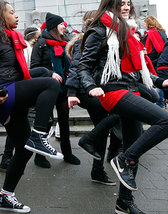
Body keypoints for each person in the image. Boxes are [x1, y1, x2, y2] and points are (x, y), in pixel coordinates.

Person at [77, 0, 168, 212]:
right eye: (122, 3)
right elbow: (83, 66)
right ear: (111, 4)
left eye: (129, 3)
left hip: (130, 89)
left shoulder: (127, 34)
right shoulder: (99, 31)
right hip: (111, 90)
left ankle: (124, 202)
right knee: (166, 121)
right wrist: (90, 86)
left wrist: (159, 82)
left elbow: (137, 71)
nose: (127, 6)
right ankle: (124, 159)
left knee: (133, 144)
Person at [0, 1, 61, 212]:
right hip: (0, 93)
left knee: (24, 148)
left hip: (13, 92)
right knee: (49, 83)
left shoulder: (11, 38)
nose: (16, 16)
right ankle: (39, 135)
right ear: (0, 16)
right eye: (11, 12)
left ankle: (5, 196)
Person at [66, 10, 118, 186]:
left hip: (94, 90)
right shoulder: (87, 40)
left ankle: (98, 170)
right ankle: (90, 142)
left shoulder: (103, 40)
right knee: (119, 110)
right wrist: (71, 93)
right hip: (85, 91)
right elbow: (77, 67)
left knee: (102, 128)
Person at [31, 12, 81, 167]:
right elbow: (33, 68)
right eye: (61, 24)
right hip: (46, 89)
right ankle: (40, 156)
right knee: (45, 123)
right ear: (53, 26)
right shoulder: (41, 43)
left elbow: (70, 65)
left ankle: (68, 153)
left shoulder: (64, 42)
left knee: (64, 122)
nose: (63, 27)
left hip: (63, 89)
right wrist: (50, 73)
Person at [142, 16, 168, 109]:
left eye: (145, 23)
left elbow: (158, 48)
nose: (144, 25)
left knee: (156, 81)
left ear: (149, 23)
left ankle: (160, 103)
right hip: (162, 59)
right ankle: (162, 102)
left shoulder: (152, 33)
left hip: (156, 60)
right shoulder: (162, 33)